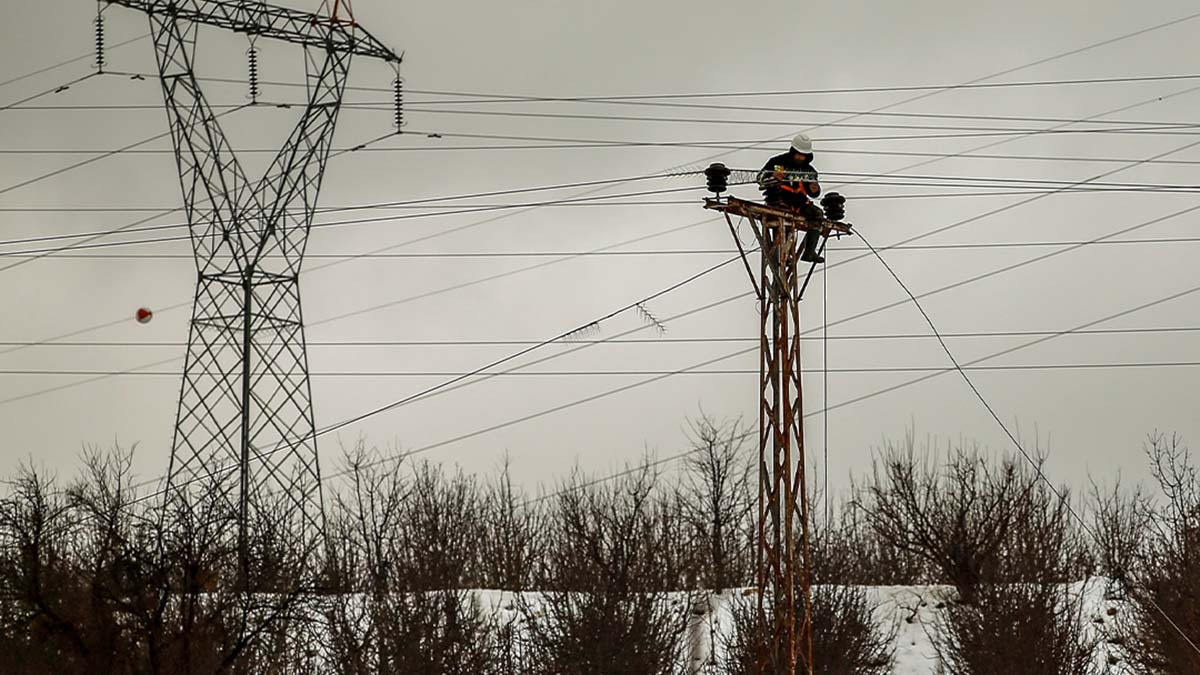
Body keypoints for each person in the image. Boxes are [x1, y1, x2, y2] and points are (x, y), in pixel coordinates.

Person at [758, 133, 826, 263]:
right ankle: (785, 256)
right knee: (785, 221)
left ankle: (809, 252)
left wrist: (814, 189)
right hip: (779, 201)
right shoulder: (777, 162)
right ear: (793, 151)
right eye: (798, 154)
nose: (800, 157)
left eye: (803, 155)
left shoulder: (809, 171)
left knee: (817, 214)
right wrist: (772, 175)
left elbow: (813, 192)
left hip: (800, 204)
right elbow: (760, 178)